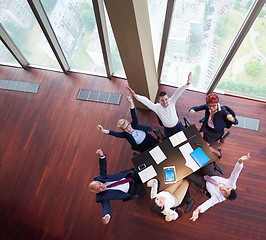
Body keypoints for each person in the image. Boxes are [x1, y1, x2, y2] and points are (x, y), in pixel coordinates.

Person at [185, 153, 250, 222]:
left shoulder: (218, 198)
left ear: (224, 197)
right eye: (227, 188)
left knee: (188, 175)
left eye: (225, 193)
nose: (223, 189)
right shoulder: (231, 184)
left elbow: (208, 204)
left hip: (205, 183)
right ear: (230, 187)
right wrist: (240, 161)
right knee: (202, 159)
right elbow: (236, 172)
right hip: (213, 175)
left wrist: (197, 210)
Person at [89, 149, 146, 225]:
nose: (101, 186)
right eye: (98, 188)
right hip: (132, 189)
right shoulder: (102, 197)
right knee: (148, 185)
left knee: (147, 171)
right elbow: (106, 207)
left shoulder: (100, 178)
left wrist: (101, 156)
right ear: (97, 192)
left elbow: (103, 168)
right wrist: (107, 216)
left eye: (99, 184)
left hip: (129, 177)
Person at [127, 72, 192, 138]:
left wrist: (187, 84)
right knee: (170, 144)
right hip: (168, 130)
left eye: (166, 99)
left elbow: (178, 92)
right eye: (162, 100)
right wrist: (135, 95)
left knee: (189, 138)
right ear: (159, 101)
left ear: (168, 98)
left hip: (178, 126)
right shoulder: (156, 107)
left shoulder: (171, 101)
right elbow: (146, 101)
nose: (165, 102)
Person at [188, 93, 238, 158]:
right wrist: (192, 110)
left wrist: (232, 119)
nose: (211, 108)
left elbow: (236, 122)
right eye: (209, 106)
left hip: (215, 132)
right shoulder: (207, 107)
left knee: (204, 146)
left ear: (217, 103)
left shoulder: (223, 111)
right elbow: (195, 108)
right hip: (206, 127)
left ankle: (217, 152)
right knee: (197, 140)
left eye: (213, 106)